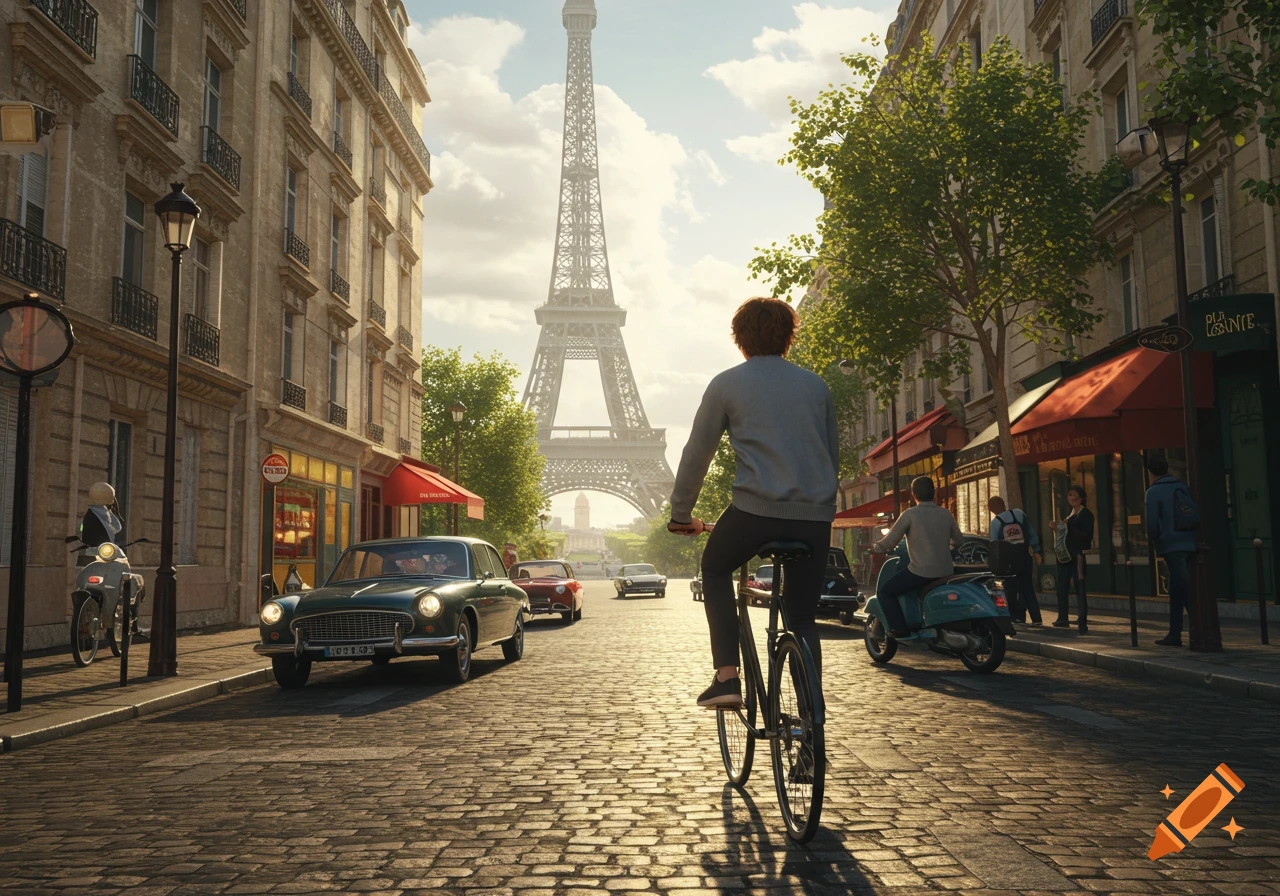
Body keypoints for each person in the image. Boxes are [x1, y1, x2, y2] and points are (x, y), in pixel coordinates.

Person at [667, 297, 839, 710]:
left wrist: (681, 514)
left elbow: (697, 454)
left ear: (739, 339)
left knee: (714, 567)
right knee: (801, 618)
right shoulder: (816, 385)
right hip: (814, 518)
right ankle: (811, 713)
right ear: (789, 337)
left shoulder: (727, 383)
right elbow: (831, 456)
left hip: (754, 513)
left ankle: (727, 677)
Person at [871, 476, 964, 637]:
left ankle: (898, 628)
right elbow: (960, 540)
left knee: (885, 592)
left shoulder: (910, 514)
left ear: (913, 495)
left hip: (921, 572)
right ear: (933, 493)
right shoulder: (945, 513)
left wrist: (875, 547)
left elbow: (891, 540)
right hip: (946, 571)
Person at [1145, 455, 1198, 647]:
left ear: (1150, 472)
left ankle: (1198, 627)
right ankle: (1174, 633)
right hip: (1188, 541)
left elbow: (1152, 523)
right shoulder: (1181, 486)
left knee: (1184, 588)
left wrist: (1155, 541)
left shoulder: (1154, 491)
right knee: (1176, 589)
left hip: (1171, 544)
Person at [987, 495, 1043, 625]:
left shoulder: (996, 522)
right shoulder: (1019, 514)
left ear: (993, 508)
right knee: (1027, 588)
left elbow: (994, 545)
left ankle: (1015, 618)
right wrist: (1037, 551)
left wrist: (993, 563)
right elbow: (1031, 533)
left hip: (1009, 562)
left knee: (1011, 589)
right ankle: (1036, 618)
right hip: (1025, 557)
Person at [1049, 485, 1094, 633]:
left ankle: (1082, 621)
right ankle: (1063, 618)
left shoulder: (1085, 514)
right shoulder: (1070, 514)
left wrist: (1066, 527)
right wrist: (1058, 527)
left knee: (1079, 587)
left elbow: (1086, 536)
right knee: (1062, 586)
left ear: (1081, 498)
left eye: (1075, 496)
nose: (1072, 499)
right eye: (1070, 495)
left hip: (1077, 555)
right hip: (1064, 556)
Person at [80, 482, 123, 549]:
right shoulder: (102, 514)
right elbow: (116, 528)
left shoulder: (91, 513)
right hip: (99, 552)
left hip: (94, 552)